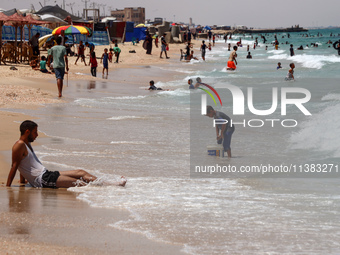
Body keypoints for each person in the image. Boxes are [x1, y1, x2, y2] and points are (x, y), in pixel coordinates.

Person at [6, 121, 127, 188]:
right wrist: (8, 187)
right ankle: (109, 188)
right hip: (42, 180)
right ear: (27, 132)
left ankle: (113, 183)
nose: (37, 135)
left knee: (81, 172)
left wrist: (23, 181)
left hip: (46, 174)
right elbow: (15, 165)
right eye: (35, 132)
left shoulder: (27, 144)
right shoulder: (19, 145)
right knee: (80, 183)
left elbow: (23, 164)